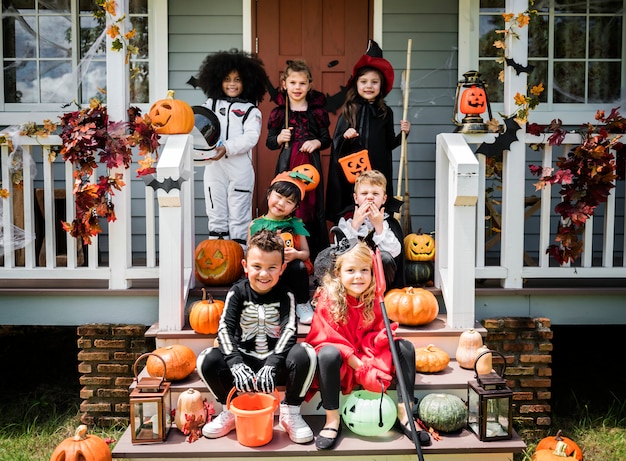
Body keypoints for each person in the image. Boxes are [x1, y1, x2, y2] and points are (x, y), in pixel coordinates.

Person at [196, 229, 317, 444]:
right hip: (243, 364)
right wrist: (235, 363)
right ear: (245, 266)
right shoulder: (237, 291)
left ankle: (291, 412)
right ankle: (231, 409)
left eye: (272, 268)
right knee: (207, 358)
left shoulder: (286, 293)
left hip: (274, 367)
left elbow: (289, 331)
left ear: (282, 268)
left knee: (305, 352)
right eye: (257, 267)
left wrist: (272, 364)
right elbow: (224, 328)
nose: (264, 274)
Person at [304, 240, 420, 450]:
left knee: (405, 348)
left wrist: (380, 340)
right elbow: (326, 338)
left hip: (368, 354)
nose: (358, 276)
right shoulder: (328, 299)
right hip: (342, 362)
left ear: (372, 272)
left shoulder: (375, 298)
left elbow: (376, 332)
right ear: (338, 273)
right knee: (327, 354)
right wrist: (362, 368)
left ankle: (405, 414)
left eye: (364, 270)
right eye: (351, 270)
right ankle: (332, 419)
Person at [325, 40, 411, 224]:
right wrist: (346, 137)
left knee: (374, 202)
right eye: (363, 82)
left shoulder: (385, 112)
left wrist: (404, 134)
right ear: (356, 84)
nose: (369, 86)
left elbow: (389, 144)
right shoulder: (349, 109)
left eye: (374, 82)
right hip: (352, 170)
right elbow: (337, 144)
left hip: (377, 167)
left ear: (381, 85)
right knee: (354, 203)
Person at [195, 49, 267, 246]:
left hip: (240, 167)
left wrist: (226, 147)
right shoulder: (210, 104)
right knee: (215, 211)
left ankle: (238, 260)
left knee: (239, 214)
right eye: (227, 79)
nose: (232, 84)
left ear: (247, 82)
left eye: (237, 79)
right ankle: (218, 259)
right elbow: (197, 124)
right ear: (217, 80)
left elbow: (251, 137)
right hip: (213, 165)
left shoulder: (250, 110)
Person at [266, 60, 331, 259]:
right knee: (288, 202)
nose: (297, 87)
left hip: (310, 165)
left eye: (302, 83)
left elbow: (326, 139)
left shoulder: (316, 112)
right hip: (288, 164)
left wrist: (316, 143)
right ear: (284, 84)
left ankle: (313, 254)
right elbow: (270, 142)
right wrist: (279, 138)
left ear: (309, 85)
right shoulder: (279, 112)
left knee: (310, 206)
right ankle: (285, 252)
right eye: (293, 83)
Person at [248, 170, 316, 324]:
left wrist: (295, 254)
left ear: (294, 208)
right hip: (268, 271)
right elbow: (249, 253)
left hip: (289, 272)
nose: (281, 203)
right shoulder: (255, 225)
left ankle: (303, 304)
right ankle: (265, 305)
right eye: (278, 197)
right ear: (268, 195)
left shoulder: (296, 225)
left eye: (289, 201)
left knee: (299, 267)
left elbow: (306, 253)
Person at [336, 170, 404, 289]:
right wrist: (355, 225)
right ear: (356, 198)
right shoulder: (347, 220)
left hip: (381, 280)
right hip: (355, 275)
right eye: (364, 193)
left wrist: (379, 227)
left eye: (375, 194)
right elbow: (340, 251)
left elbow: (395, 253)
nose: (370, 197)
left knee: (385, 258)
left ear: (384, 199)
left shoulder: (389, 222)